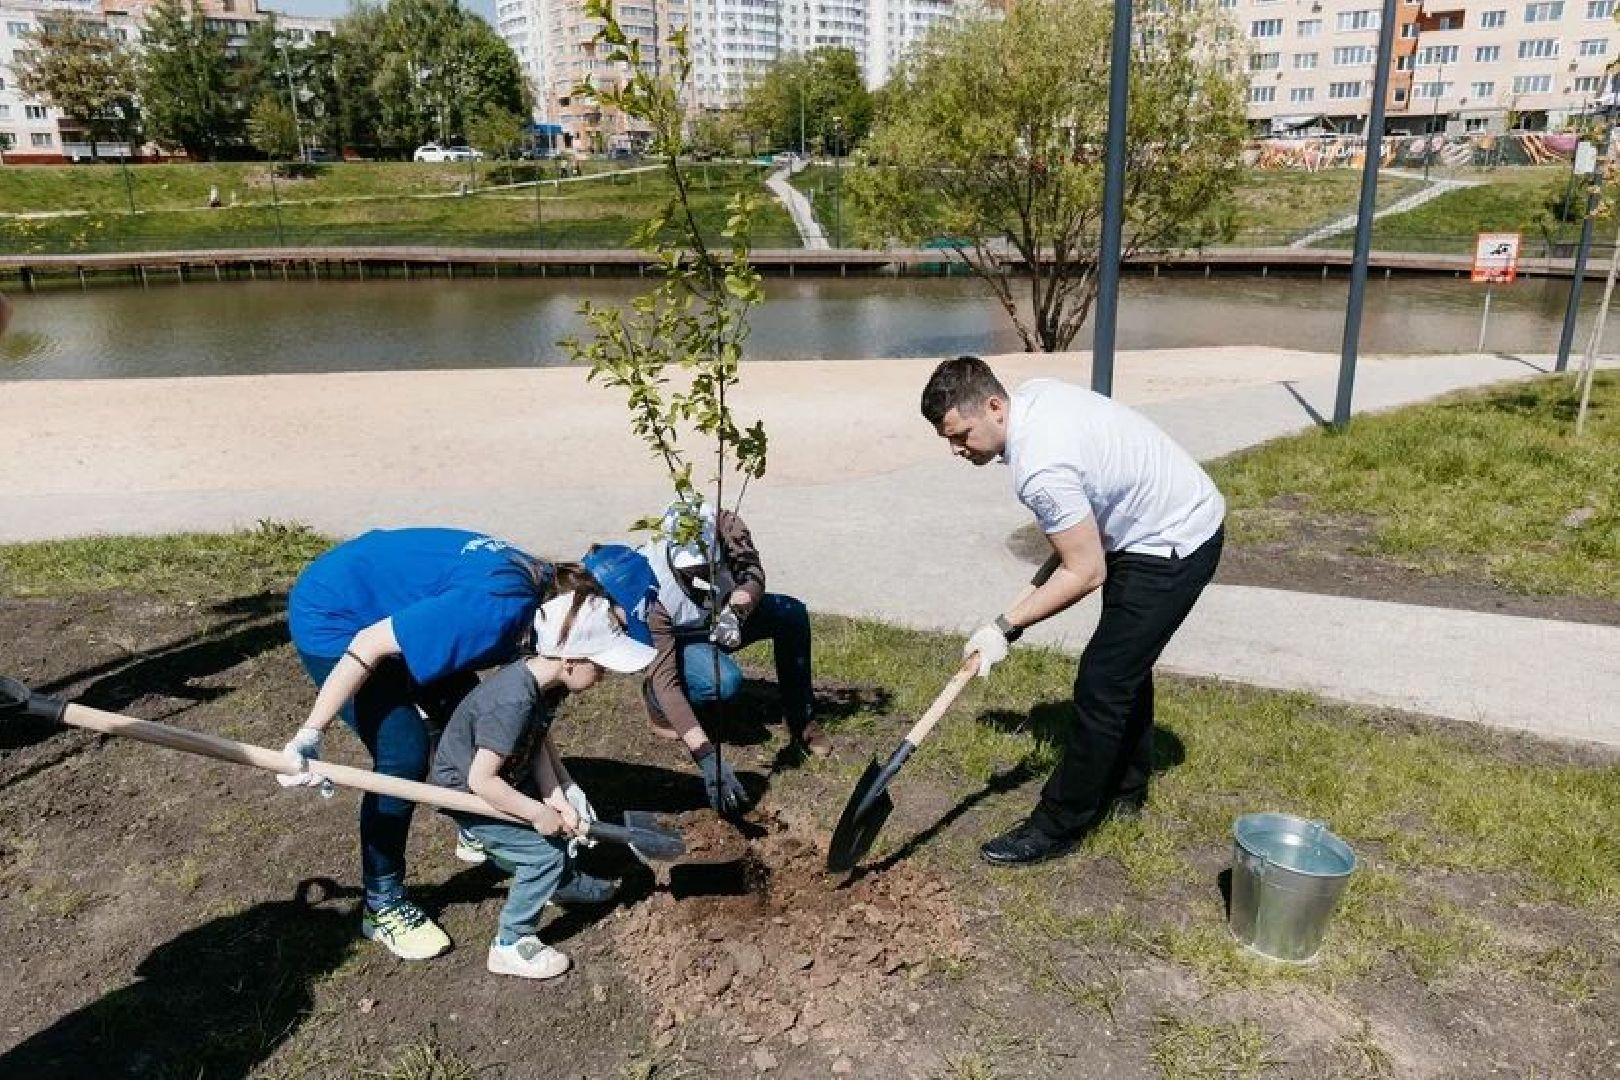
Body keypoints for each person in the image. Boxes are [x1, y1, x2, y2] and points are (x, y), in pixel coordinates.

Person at [279, 528, 655, 959]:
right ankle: (382, 903)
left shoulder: (556, 605)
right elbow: (369, 644)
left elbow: (523, 720)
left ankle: (496, 837)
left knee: (471, 718)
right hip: (339, 612)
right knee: (403, 753)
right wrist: (310, 733)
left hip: (406, 606)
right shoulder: (494, 611)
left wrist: (562, 787)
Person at [921, 356, 1225, 866]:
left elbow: (1085, 571)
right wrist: (1000, 624)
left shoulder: (1040, 467)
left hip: (1174, 540)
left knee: (1102, 681)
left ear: (994, 406)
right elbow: (1074, 547)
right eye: (948, 439)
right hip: (1148, 524)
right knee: (1122, 668)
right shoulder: (1033, 397)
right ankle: (1126, 790)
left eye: (962, 434)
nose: (956, 449)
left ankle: (1059, 824)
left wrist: (1007, 627)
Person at [430, 588, 655, 980]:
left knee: (558, 832)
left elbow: (535, 746)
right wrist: (537, 811)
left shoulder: (544, 683)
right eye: (599, 666)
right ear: (569, 660)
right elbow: (481, 781)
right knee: (543, 853)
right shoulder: (512, 703)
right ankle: (511, 943)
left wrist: (559, 795)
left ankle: (562, 884)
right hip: (467, 794)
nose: (602, 677)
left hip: (504, 775)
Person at [638, 501, 830, 816]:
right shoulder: (654, 586)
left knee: (791, 614)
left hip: (725, 615)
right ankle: (657, 707)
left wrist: (737, 610)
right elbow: (667, 681)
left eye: (705, 568)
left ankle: (803, 722)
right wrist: (707, 758)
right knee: (724, 682)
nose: (699, 576)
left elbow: (753, 573)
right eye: (691, 572)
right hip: (681, 639)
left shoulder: (728, 526)